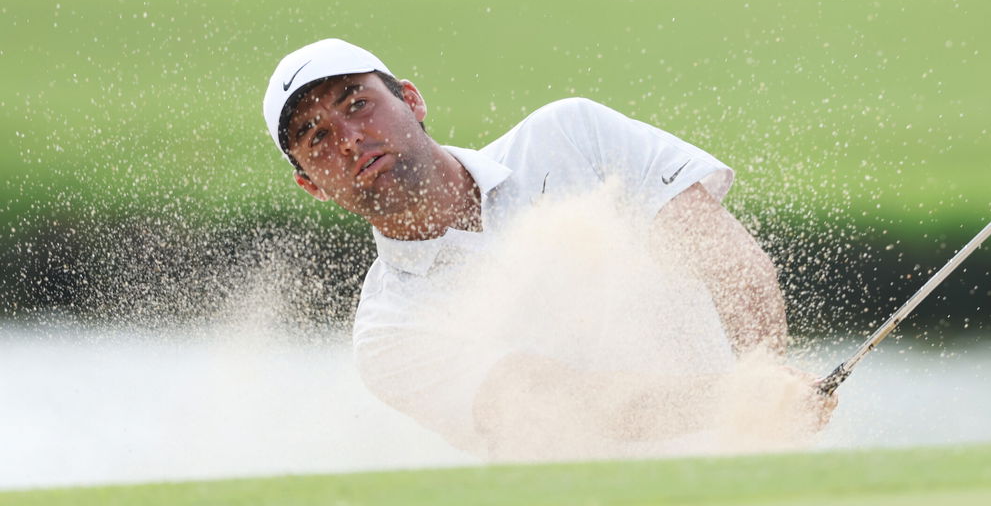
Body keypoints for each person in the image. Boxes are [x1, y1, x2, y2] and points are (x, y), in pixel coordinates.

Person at [262, 38, 835, 459]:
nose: (351, 137)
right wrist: (737, 399)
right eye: (317, 137)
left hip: (744, 475)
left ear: (411, 101)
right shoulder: (390, 332)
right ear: (311, 185)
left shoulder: (570, 135)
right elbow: (562, 403)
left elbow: (725, 258)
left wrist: (767, 374)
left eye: (356, 103)